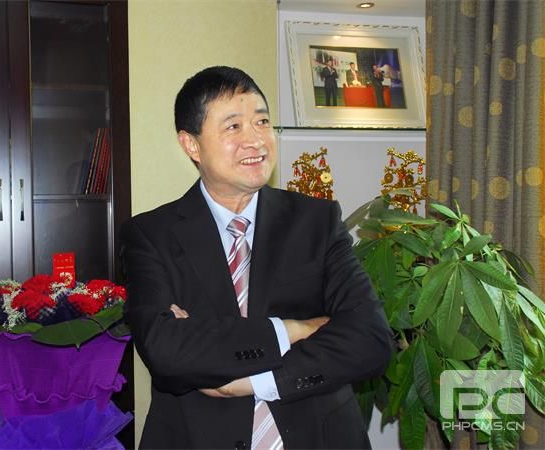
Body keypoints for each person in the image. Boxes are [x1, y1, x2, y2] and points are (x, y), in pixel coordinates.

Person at [121, 66, 393, 450]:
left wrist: (255, 382)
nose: (256, 140)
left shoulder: (316, 221)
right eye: (233, 126)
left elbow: (371, 340)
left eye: (262, 122)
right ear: (191, 144)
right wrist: (293, 329)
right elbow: (166, 351)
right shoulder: (152, 235)